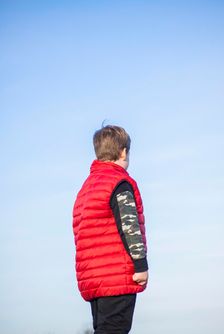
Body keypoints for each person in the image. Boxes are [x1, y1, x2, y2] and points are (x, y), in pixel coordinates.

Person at [72, 125, 149, 334]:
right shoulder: (119, 182)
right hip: (117, 276)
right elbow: (129, 224)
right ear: (123, 151)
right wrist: (140, 265)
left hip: (93, 280)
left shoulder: (86, 189)